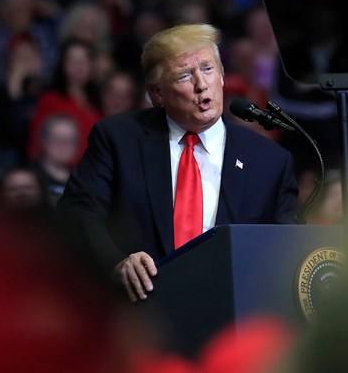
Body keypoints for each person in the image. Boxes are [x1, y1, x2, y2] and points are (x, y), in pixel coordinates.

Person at [57, 23, 298, 303]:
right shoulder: (118, 139)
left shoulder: (269, 162)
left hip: (230, 313)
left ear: (221, 76)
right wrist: (117, 263)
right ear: (157, 93)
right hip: (139, 313)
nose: (201, 84)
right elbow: (76, 213)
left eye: (208, 69)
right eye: (184, 75)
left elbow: (283, 251)